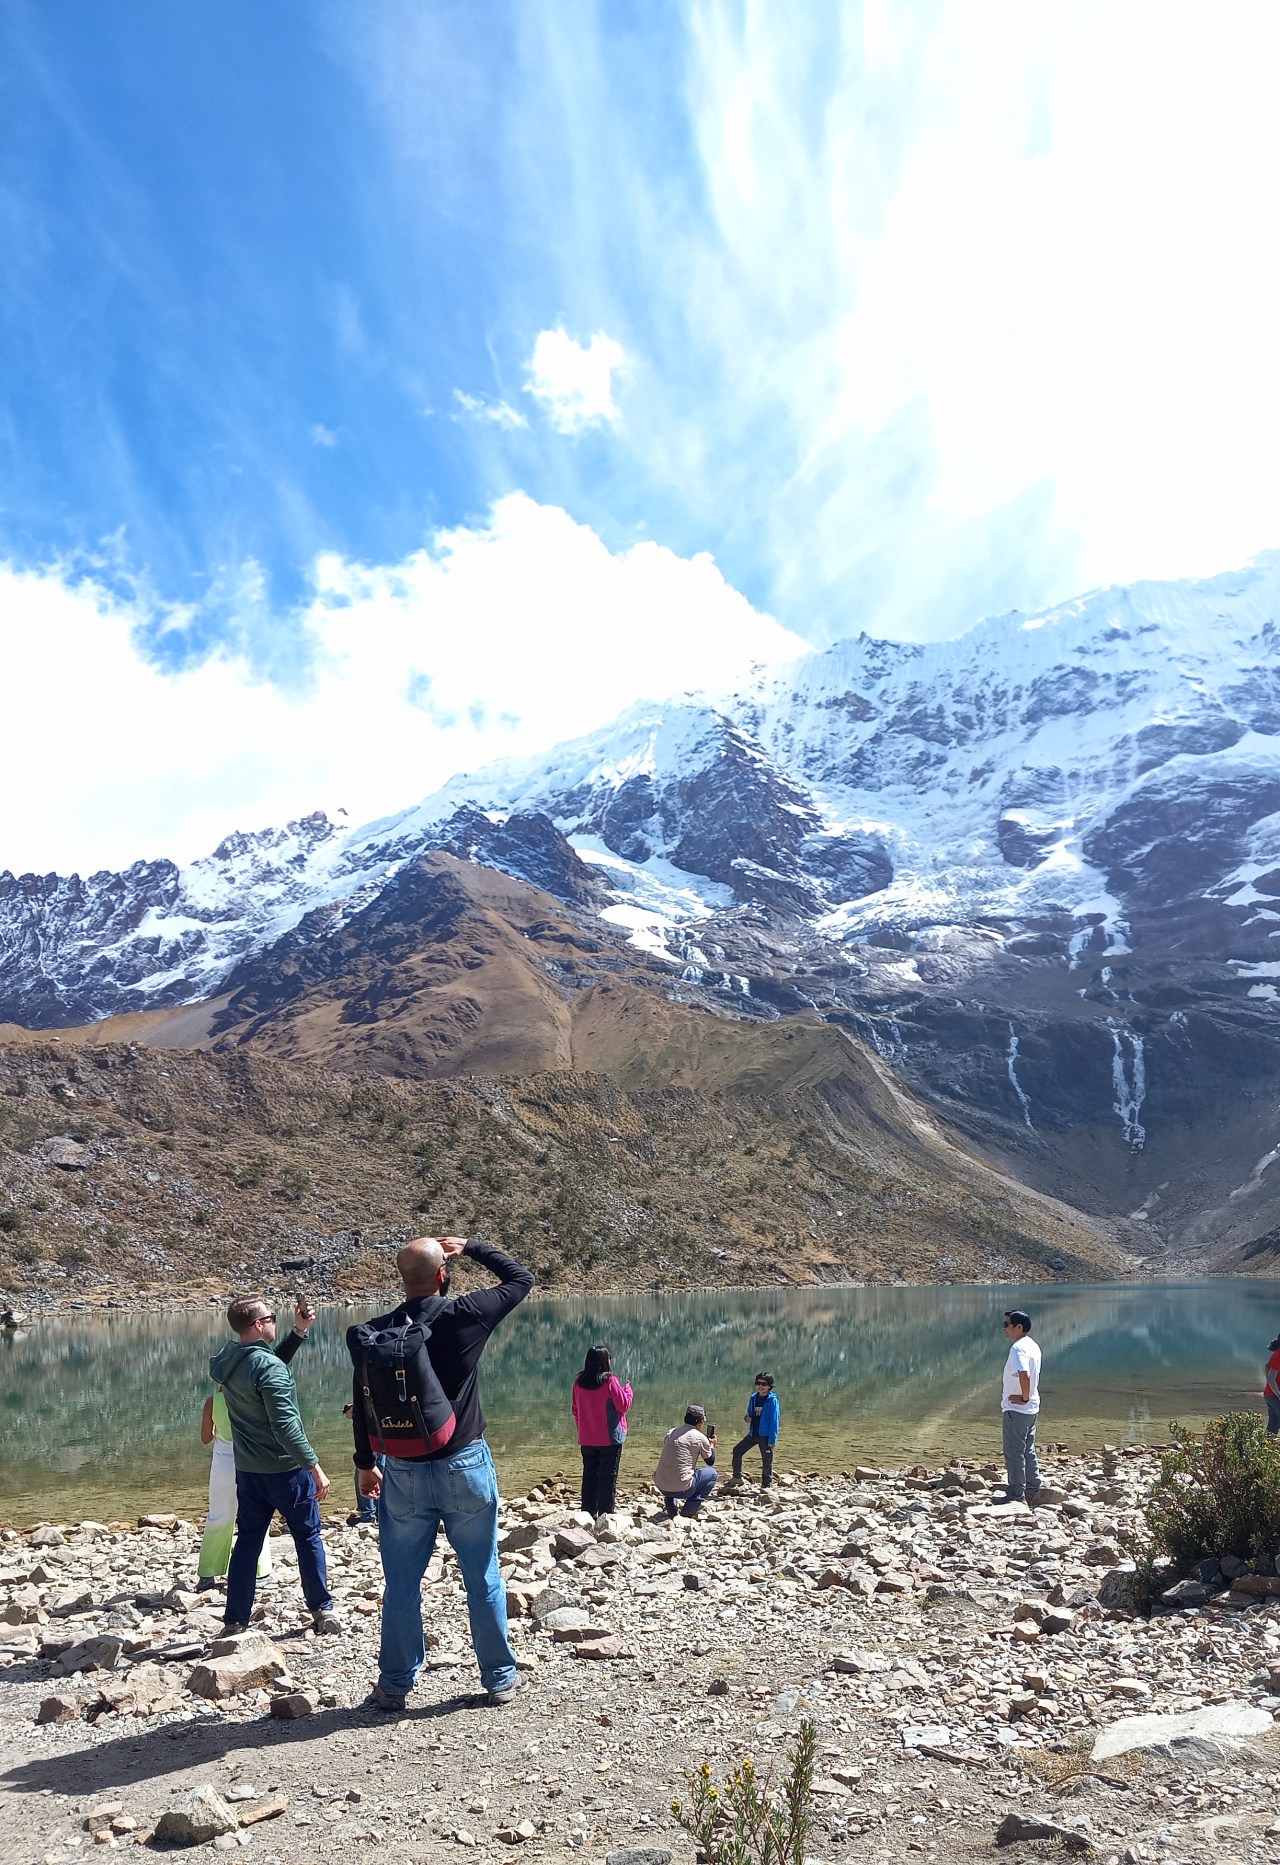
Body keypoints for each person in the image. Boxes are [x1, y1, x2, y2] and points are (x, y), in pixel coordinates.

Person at [352, 1233, 535, 1713]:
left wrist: (365, 1465)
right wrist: (472, 1246)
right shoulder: (465, 1315)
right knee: (482, 1574)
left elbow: (363, 1404)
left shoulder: (376, 1334)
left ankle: (395, 1685)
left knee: (402, 1583)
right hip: (465, 1464)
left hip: (403, 1470)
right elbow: (520, 1279)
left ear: (401, 1278)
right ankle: (499, 1679)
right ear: (441, 1274)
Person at [210, 1296, 339, 1636]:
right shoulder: (267, 1368)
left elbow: (265, 1366)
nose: (274, 1322)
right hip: (286, 1471)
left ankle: (235, 1620)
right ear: (258, 1324)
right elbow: (285, 1426)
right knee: (308, 1537)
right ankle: (322, 1609)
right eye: (271, 1317)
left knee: (248, 1541)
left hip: (249, 1471)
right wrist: (314, 1466)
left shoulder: (230, 1360)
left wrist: (298, 1332)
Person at [195, 1388, 273, 1591]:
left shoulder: (212, 1401)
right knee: (256, 1514)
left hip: (223, 1463)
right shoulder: (252, 1398)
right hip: (251, 1459)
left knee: (219, 1516)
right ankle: (260, 1572)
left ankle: (208, 1573)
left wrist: (219, 1428)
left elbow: (205, 1438)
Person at [571, 1345, 633, 1520]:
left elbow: (575, 1409)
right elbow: (623, 1405)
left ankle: (587, 1515)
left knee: (589, 1476)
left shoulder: (579, 1382)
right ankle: (606, 1516)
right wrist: (628, 1390)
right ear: (605, 1361)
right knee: (608, 1477)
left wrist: (582, 1428)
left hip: (587, 1438)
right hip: (610, 1438)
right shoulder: (609, 1381)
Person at [997, 1309, 1043, 1504]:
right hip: (1031, 1408)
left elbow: (1025, 1375)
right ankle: (1033, 1487)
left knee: (1014, 1451)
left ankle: (1015, 1495)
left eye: (1007, 1325)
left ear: (1018, 1327)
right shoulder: (1032, 1345)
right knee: (1027, 1448)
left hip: (1018, 1408)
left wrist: (1024, 1398)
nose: (1005, 1329)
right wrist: (1028, 1399)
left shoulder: (1018, 1349)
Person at [654, 1404, 717, 1518]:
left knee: (674, 1469)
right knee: (712, 1474)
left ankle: (671, 1507)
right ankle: (688, 1510)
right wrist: (712, 1445)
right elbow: (710, 1461)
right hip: (682, 1489)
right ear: (700, 1422)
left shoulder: (671, 1432)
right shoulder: (700, 1437)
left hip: (661, 1485)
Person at [724, 1372, 780, 1492]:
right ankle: (737, 1477)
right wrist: (747, 1418)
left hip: (765, 1435)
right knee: (737, 1450)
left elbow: (774, 1421)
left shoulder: (772, 1401)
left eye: (764, 1384)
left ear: (770, 1385)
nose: (760, 1386)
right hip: (753, 1433)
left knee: (767, 1459)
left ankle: (767, 1484)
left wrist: (772, 1439)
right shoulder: (754, 1397)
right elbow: (749, 1413)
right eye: (758, 1383)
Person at [343, 1403, 381, 1524]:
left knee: (363, 1471)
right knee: (380, 1470)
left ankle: (368, 1514)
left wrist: (354, 1409)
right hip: (386, 1430)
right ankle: (380, 1513)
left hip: (371, 1431)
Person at [1264, 1334, 1280, 1435]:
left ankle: (1266, 1443)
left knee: (1273, 1425)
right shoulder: (1278, 1356)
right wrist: (1278, 1394)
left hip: (1271, 1394)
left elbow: (1266, 1367)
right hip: (1273, 1395)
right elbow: (1270, 1378)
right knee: (1274, 1424)